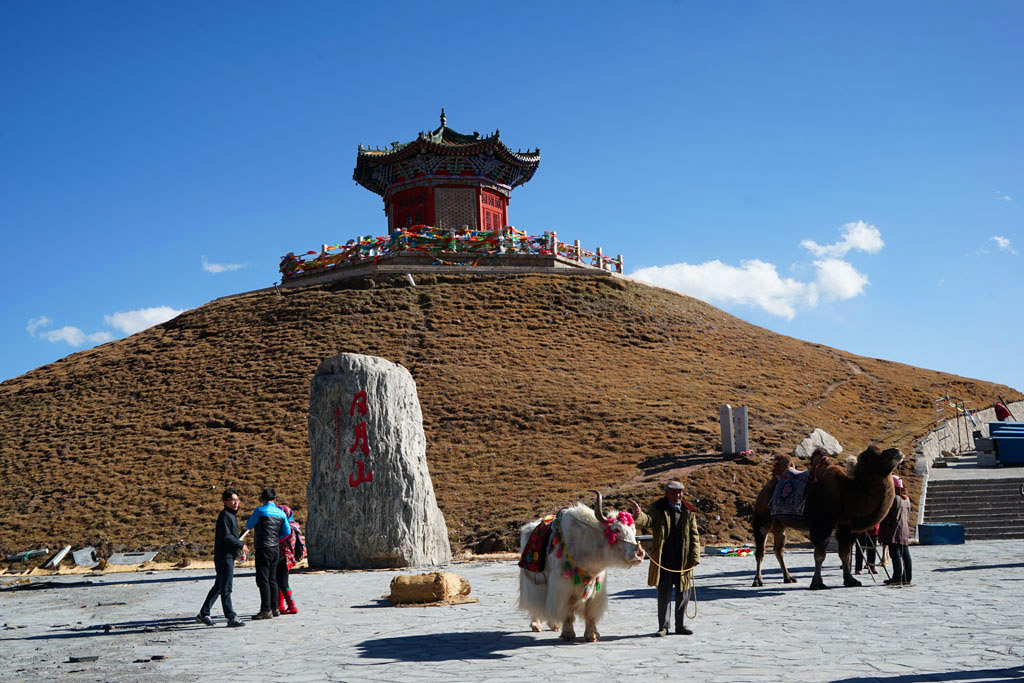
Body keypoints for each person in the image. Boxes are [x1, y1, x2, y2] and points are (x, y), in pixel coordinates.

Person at [630, 481, 701, 636]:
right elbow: (648, 521)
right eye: (674, 493)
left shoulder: (688, 510)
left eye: (680, 493)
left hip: (683, 559)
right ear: (667, 494)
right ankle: (664, 626)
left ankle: (680, 625)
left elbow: (694, 535)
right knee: (664, 593)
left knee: (683, 592)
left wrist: (695, 555)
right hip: (664, 559)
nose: (678, 496)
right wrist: (638, 516)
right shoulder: (658, 507)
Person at [196, 488, 247, 627]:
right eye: (232, 500)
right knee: (226, 587)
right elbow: (226, 536)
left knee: (219, 586)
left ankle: (204, 613)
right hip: (225, 556)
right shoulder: (225, 516)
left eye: (237, 500)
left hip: (227, 555)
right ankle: (231, 617)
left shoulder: (231, 515)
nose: (236, 503)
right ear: (225, 501)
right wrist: (240, 544)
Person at [244, 487, 291, 619]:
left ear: (262, 499)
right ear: (275, 500)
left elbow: (249, 525)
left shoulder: (259, 511)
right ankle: (275, 608)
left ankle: (265, 609)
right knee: (273, 579)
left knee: (262, 579)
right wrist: (277, 539)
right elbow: (287, 532)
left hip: (263, 548)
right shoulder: (281, 513)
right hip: (275, 548)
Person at [879, 476, 913, 586]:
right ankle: (907, 577)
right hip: (904, 530)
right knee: (905, 554)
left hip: (894, 530)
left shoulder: (894, 498)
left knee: (896, 554)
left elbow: (887, 515)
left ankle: (897, 577)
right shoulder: (906, 498)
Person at [275, 504, 301, 615]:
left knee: (282, 582)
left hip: (283, 558)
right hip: (286, 558)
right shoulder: (294, 526)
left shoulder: (287, 527)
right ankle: (280, 606)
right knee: (279, 582)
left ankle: (291, 605)